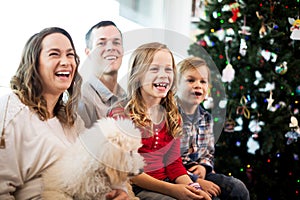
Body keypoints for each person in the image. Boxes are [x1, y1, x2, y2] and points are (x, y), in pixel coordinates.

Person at [0, 27, 128, 200]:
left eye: (70, 55)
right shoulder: (12, 109)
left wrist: (119, 190)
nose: (66, 61)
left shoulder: (72, 120)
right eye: (54, 54)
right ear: (34, 63)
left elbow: (98, 166)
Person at [108, 42, 211, 200]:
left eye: (168, 69)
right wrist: (173, 190)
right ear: (138, 75)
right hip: (136, 187)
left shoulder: (172, 115)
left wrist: (194, 188)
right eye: (154, 69)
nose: (163, 75)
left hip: (168, 182)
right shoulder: (121, 115)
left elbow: (174, 164)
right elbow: (130, 172)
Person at [176, 56, 250, 200]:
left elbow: (208, 152)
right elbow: (169, 161)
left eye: (203, 81)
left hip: (202, 172)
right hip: (178, 175)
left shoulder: (206, 118)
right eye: (191, 80)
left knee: (237, 188)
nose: (198, 85)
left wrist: (204, 167)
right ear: (176, 85)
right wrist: (195, 180)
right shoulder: (170, 116)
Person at [78, 20, 126, 128]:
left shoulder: (128, 98)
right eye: (101, 43)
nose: (110, 48)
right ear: (88, 53)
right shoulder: (82, 98)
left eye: (116, 42)